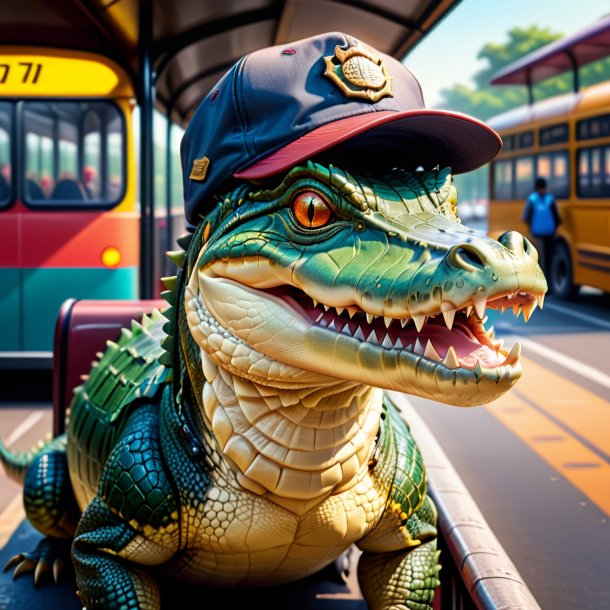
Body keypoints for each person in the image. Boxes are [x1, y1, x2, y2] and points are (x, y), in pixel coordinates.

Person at [522, 177, 561, 276]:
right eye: (541, 187)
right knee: (542, 260)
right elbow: (526, 217)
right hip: (538, 235)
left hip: (550, 235)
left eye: (544, 187)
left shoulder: (548, 199)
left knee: (549, 259)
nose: (543, 189)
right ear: (538, 188)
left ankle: (548, 283)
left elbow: (557, 217)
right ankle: (544, 284)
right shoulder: (533, 199)